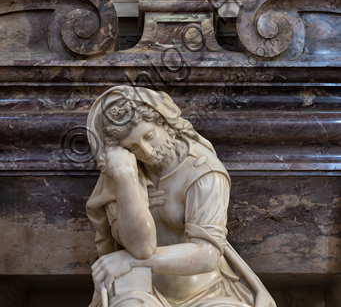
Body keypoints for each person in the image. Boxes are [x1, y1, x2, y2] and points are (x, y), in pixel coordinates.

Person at [86, 86, 276, 307]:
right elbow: (141, 248)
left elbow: (207, 255)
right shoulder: (123, 171)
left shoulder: (203, 172)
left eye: (149, 136)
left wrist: (128, 261)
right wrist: (126, 177)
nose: (147, 152)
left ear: (164, 123)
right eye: (133, 147)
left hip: (208, 294)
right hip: (140, 291)